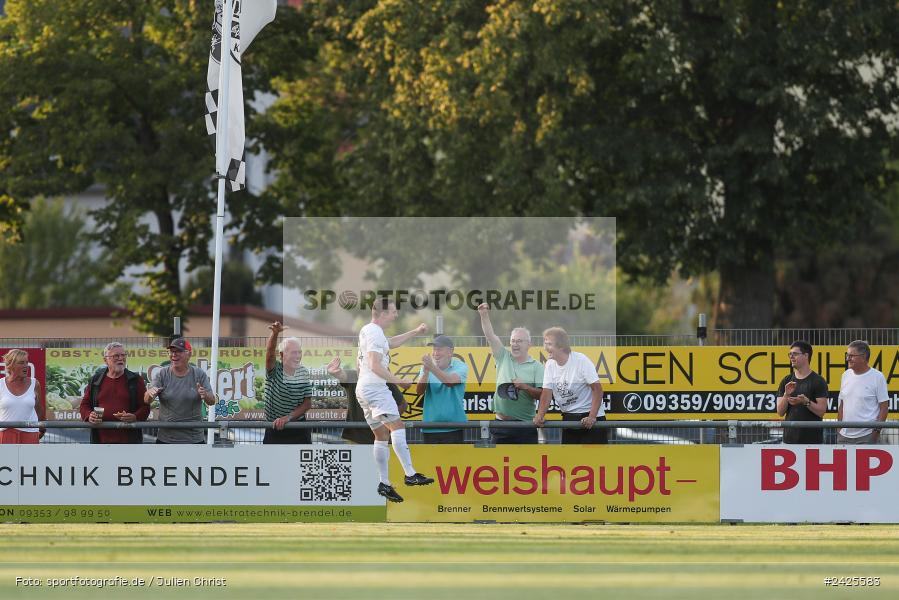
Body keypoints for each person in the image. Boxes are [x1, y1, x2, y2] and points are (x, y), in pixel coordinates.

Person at [357, 299, 433, 503]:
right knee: (397, 427)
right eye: (393, 312)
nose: (396, 315)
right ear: (382, 314)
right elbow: (374, 364)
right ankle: (410, 474)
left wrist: (415, 331)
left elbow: (390, 343)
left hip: (363, 388)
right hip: (375, 388)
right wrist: (399, 381)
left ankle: (384, 483)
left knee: (381, 434)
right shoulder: (374, 332)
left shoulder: (371, 331)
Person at [477, 303, 543, 444]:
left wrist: (525, 387)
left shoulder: (537, 366)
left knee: (526, 466)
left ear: (529, 345)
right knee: (497, 466)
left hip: (525, 428)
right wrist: (484, 315)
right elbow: (490, 336)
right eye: (513, 341)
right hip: (500, 426)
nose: (515, 344)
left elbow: (542, 395)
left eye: (519, 341)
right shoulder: (502, 356)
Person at [535, 327, 607, 444]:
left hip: (592, 419)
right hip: (569, 419)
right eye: (545, 343)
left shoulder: (581, 360)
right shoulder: (549, 364)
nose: (545, 347)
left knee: (596, 461)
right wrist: (540, 415)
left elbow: (597, 389)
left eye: (549, 344)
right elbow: (547, 392)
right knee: (570, 461)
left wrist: (592, 417)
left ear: (561, 346)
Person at [144, 337, 217, 444]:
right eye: (172, 351)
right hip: (166, 439)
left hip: (194, 439)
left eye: (179, 351)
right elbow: (147, 400)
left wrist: (205, 394)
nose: (174, 354)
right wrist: (149, 394)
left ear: (189, 354)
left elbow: (212, 401)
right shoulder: (162, 374)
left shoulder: (199, 374)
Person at [79, 342, 149, 443]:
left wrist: (135, 417)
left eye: (123, 355)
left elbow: (145, 407)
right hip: (100, 441)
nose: (121, 358)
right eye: (116, 356)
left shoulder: (135, 380)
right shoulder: (96, 380)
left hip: (129, 442)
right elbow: (84, 405)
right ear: (105, 360)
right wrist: (89, 415)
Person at [327, 358, 407, 445]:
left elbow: (402, 405)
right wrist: (337, 373)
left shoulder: (384, 380)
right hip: (356, 437)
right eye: (360, 359)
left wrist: (385, 422)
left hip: (382, 438)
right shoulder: (353, 376)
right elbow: (342, 375)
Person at [263, 322, 313, 444]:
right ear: (282, 354)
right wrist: (275, 333)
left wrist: (288, 418)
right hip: (274, 427)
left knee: (302, 462)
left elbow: (307, 404)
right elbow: (269, 354)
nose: (298, 356)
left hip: (298, 429)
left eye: (299, 352)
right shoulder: (274, 369)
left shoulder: (303, 372)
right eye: (293, 352)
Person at [416, 335, 468, 444]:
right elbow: (419, 391)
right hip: (430, 427)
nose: (435, 353)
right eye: (434, 349)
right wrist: (425, 372)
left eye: (439, 349)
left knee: (454, 461)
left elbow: (449, 382)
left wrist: (431, 368)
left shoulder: (461, 367)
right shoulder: (427, 368)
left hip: (455, 428)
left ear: (450, 352)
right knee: (431, 461)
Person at [775, 341, 828, 444]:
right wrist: (786, 395)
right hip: (789, 441)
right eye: (790, 354)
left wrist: (805, 401)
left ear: (806, 355)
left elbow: (821, 411)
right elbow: (780, 412)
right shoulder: (786, 380)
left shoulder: (818, 381)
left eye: (795, 354)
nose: (791, 357)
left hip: (813, 441)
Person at [838, 340, 888, 444]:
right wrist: (839, 429)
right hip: (844, 436)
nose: (848, 359)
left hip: (867, 436)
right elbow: (842, 404)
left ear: (863, 357)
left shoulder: (877, 377)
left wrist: (875, 433)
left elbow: (884, 407)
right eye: (847, 355)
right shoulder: (845, 375)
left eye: (851, 356)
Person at [0, 349, 45, 443]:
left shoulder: (34, 383)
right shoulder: (0, 384)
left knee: (31, 458)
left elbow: (39, 408)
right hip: (5, 434)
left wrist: (42, 429)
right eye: (21, 363)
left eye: (26, 363)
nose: (26, 366)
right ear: (11, 365)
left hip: (30, 433)